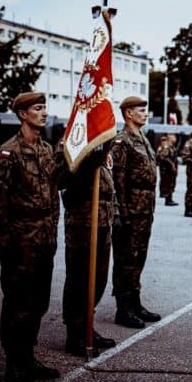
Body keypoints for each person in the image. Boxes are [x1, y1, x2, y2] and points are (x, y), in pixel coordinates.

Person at [0, 92, 61, 382]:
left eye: (44, 108)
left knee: (38, 303)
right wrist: (6, 241)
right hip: (20, 242)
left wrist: (52, 229)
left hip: (44, 240)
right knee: (18, 303)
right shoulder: (8, 152)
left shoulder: (45, 150)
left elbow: (55, 190)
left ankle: (28, 357)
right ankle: (15, 365)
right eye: (37, 108)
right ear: (22, 114)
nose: (44, 113)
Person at [56, 142, 117, 357]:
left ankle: (87, 326)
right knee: (79, 278)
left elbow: (109, 186)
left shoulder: (102, 144)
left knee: (98, 278)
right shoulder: (71, 143)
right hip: (82, 224)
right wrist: (90, 161)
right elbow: (62, 179)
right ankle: (75, 333)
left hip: (102, 223)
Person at [110, 96, 161, 329]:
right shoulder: (122, 141)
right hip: (131, 209)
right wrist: (121, 214)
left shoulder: (143, 139)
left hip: (144, 209)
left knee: (139, 257)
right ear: (128, 113)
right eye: (140, 110)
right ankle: (123, 308)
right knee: (125, 260)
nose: (145, 113)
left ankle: (135, 302)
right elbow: (117, 181)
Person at [157, 135, 179, 206]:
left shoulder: (171, 146)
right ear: (170, 138)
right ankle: (168, 199)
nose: (175, 138)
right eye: (174, 137)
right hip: (166, 168)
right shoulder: (166, 146)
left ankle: (169, 198)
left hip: (170, 168)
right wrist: (171, 164)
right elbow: (163, 156)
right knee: (167, 183)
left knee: (170, 183)